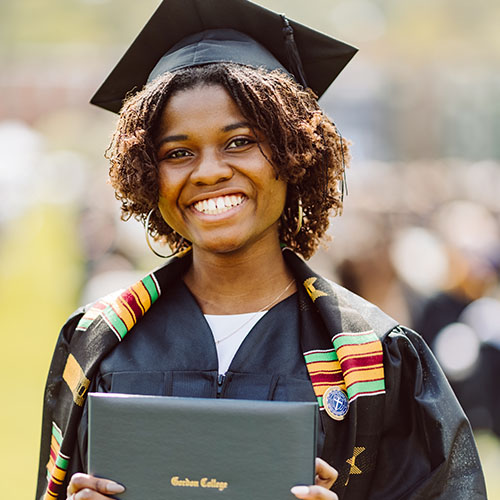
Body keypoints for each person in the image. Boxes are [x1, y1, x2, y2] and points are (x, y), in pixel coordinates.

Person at [36, 0, 487, 499]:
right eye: (178, 152)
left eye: (239, 142)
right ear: (149, 174)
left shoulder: (376, 358)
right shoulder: (98, 343)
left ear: (294, 154)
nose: (208, 171)